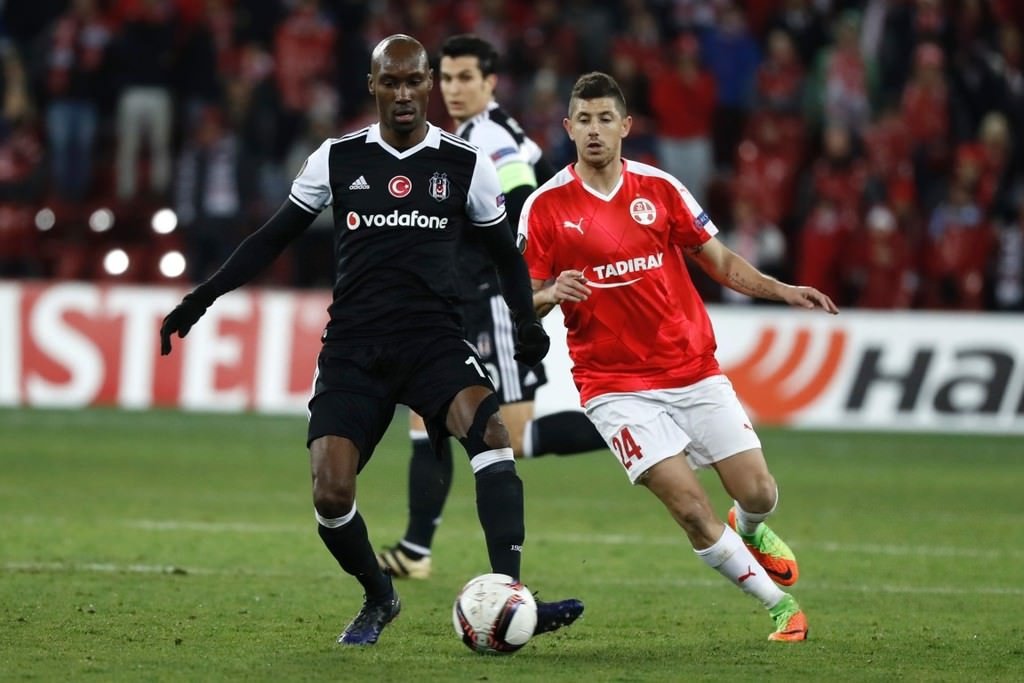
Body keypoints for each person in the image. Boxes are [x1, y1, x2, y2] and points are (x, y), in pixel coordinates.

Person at [159, 34, 584, 647]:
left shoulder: (467, 164)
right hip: (355, 346)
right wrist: (202, 297)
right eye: (393, 82)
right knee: (331, 493)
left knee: (491, 434)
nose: (405, 94)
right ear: (373, 86)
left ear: (429, 86)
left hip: (435, 341)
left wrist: (524, 323)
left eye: (416, 82)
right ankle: (379, 596)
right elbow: (272, 238)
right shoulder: (337, 158)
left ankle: (510, 596)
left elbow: (504, 255)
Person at [519, 72, 840, 642]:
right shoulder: (545, 208)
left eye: (604, 119)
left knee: (759, 491)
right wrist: (549, 294)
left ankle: (750, 525)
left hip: (691, 369)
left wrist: (784, 290)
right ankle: (780, 608)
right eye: (584, 121)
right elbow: (524, 299)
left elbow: (718, 261)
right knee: (690, 509)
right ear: (568, 129)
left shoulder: (660, 188)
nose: (594, 131)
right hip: (613, 386)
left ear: (625, 126)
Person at [377, 34, 607, 582]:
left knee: (516, 437)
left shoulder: (489, 136)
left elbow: (524, 197)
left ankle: (641, 430)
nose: (454, 89)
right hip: (468, 301)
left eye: (465, 79)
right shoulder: (475, 133)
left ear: (489, 83)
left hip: (490, 303)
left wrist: (511, 276)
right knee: (425, 417)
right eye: (447, 78)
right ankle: (415, 548)